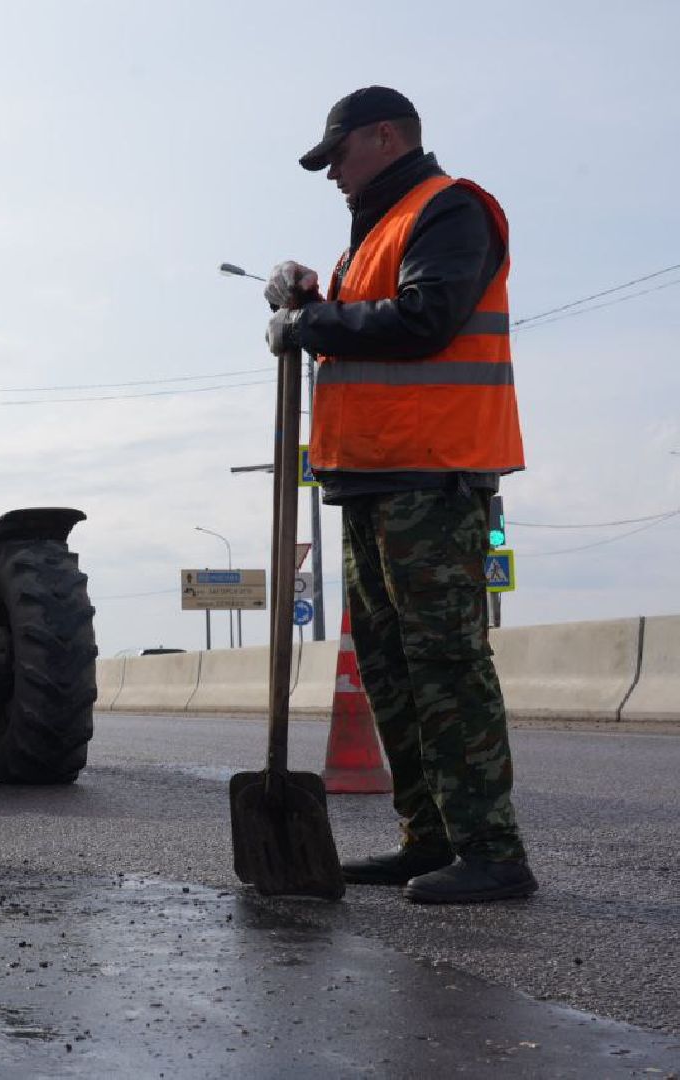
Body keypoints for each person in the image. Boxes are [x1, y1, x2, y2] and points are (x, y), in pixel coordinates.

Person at [265, 86, 536, 904]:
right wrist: (311, 302)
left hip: (432, 478)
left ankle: (492, 851)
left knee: (446, 665)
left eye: (337, 155)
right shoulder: (373, 235)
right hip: (371, 482)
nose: (331, 175)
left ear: (386, 137)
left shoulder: (450, 209)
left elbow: (426, 320)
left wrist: (309, 327)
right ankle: (428, 840)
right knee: (389, 669)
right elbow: (367, 326)